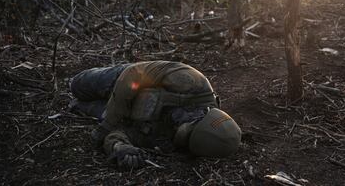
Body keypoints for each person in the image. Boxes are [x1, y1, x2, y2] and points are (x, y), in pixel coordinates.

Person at [69, 61, 241, 170]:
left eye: (182, 137)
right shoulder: (193, 83)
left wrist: (119, 148)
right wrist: (108, 124)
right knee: (76, 84)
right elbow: (134, 73)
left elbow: (121, 134)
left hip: (124, 113)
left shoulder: (168, 140)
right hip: (123, 81)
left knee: (77, 105)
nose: (177, 124)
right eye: (189, 122)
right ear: (202, 113)